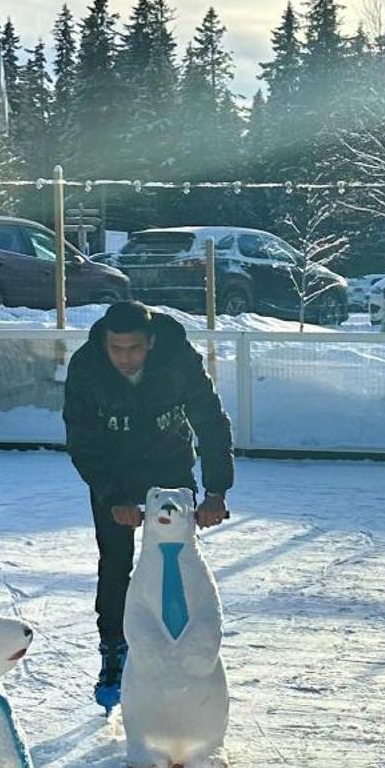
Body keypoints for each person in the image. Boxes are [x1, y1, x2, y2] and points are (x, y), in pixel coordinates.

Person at [62, 299, 234, 708]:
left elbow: (210, 419)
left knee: (175, 558)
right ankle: (115, 651)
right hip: (114, 469)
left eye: (134, 348)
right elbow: (82, 441)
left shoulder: (178, 361)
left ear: (151, 342)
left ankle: (181, 646)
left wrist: (215, 491)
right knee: (116, 561)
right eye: (116, 349)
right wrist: (114, 497)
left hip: (169, 465)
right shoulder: (86, 368)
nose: (125, 358)